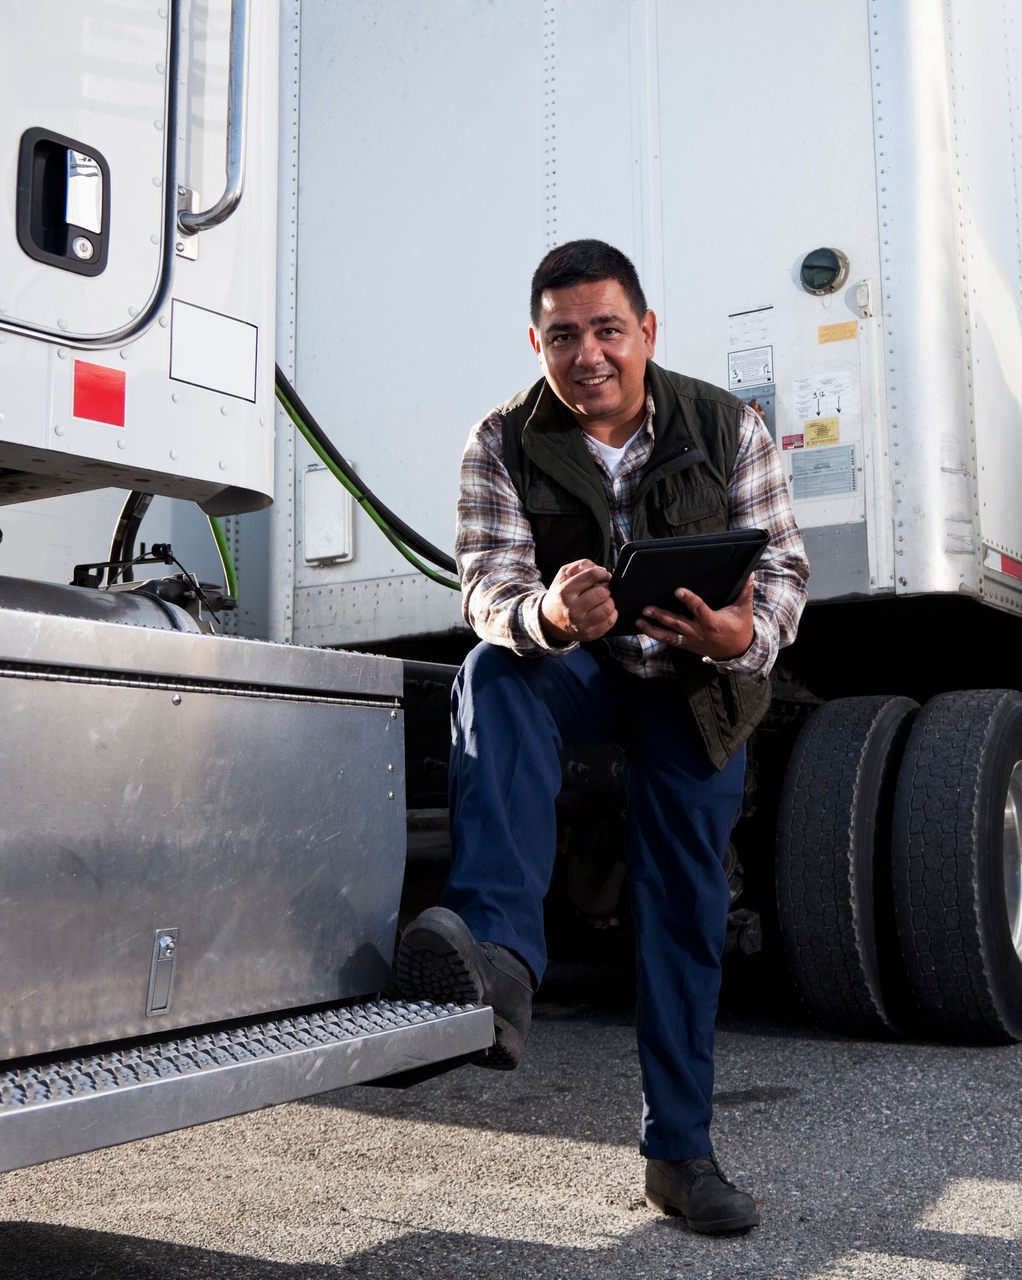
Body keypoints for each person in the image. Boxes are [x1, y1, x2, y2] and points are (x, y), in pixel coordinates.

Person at [390, 239, 809, 1235]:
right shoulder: (497, 439)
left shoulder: (728, 424)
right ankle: (497, 958)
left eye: (608, 330)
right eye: (565, 336)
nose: (589, 355)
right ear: (536, 342)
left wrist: (739, 633)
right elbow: (487, 578)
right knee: (493, 671)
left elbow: (785, 569)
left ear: (646, 333)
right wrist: (544, 615)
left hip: (695, 687)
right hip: (576, 667)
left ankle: (681, 1155)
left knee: (684, 912)